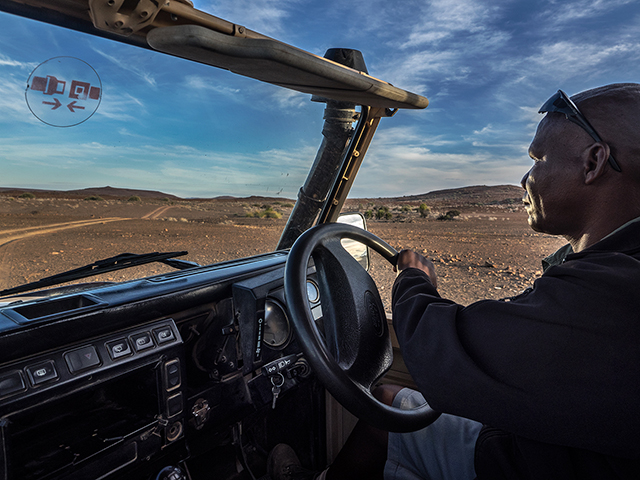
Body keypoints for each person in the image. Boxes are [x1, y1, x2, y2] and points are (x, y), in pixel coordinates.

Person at [268, 83, 640, 480]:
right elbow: (514, 337)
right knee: (394, 401)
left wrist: (413, 278)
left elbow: (442, 350)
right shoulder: (609, 269)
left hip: (537, 462)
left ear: (593, 162)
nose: (525, 178)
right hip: (558, 450)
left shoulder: (612, 290)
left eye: (538, 159)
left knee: (388, 414)